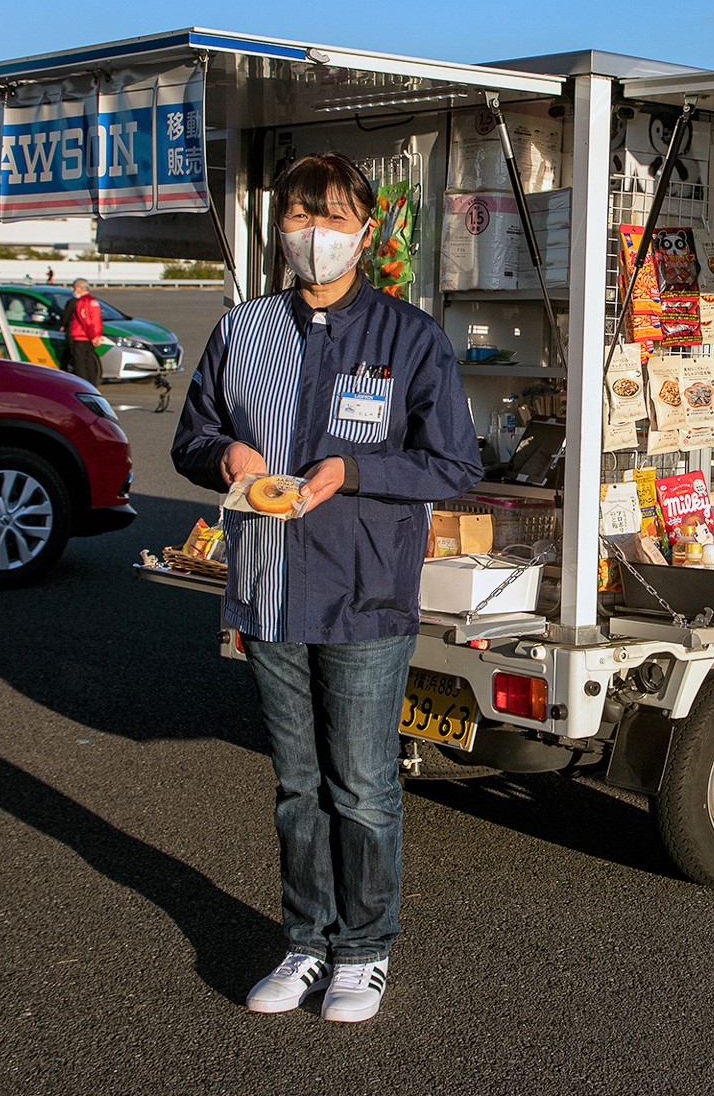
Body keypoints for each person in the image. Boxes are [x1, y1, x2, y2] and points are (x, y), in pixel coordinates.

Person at [171, 153, 481, 1024]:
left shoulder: (409, 337)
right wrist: (223, 455)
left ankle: (365, 951)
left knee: (364, 784)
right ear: (280, 229)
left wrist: (355, 468)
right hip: (268, 591)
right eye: (303, 218)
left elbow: (454, 464)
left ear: (368, 231)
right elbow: (192, 437)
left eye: (337, 218)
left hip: (365, 594)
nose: (318, 235)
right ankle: (306, 942)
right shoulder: (243, 331)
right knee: (297, 785)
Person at [62, 278, 105, 386]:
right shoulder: (94, 301)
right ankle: (92, 384)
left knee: (80, 364)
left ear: (80, 288)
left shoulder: (82, 302)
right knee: (89, 361)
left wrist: (92, 336)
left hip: (81, 336)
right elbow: (97, 320)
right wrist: (97, 335)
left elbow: (85, 321)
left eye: (75, 288)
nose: (74, 291)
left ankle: (84, 386)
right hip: (90, 337)